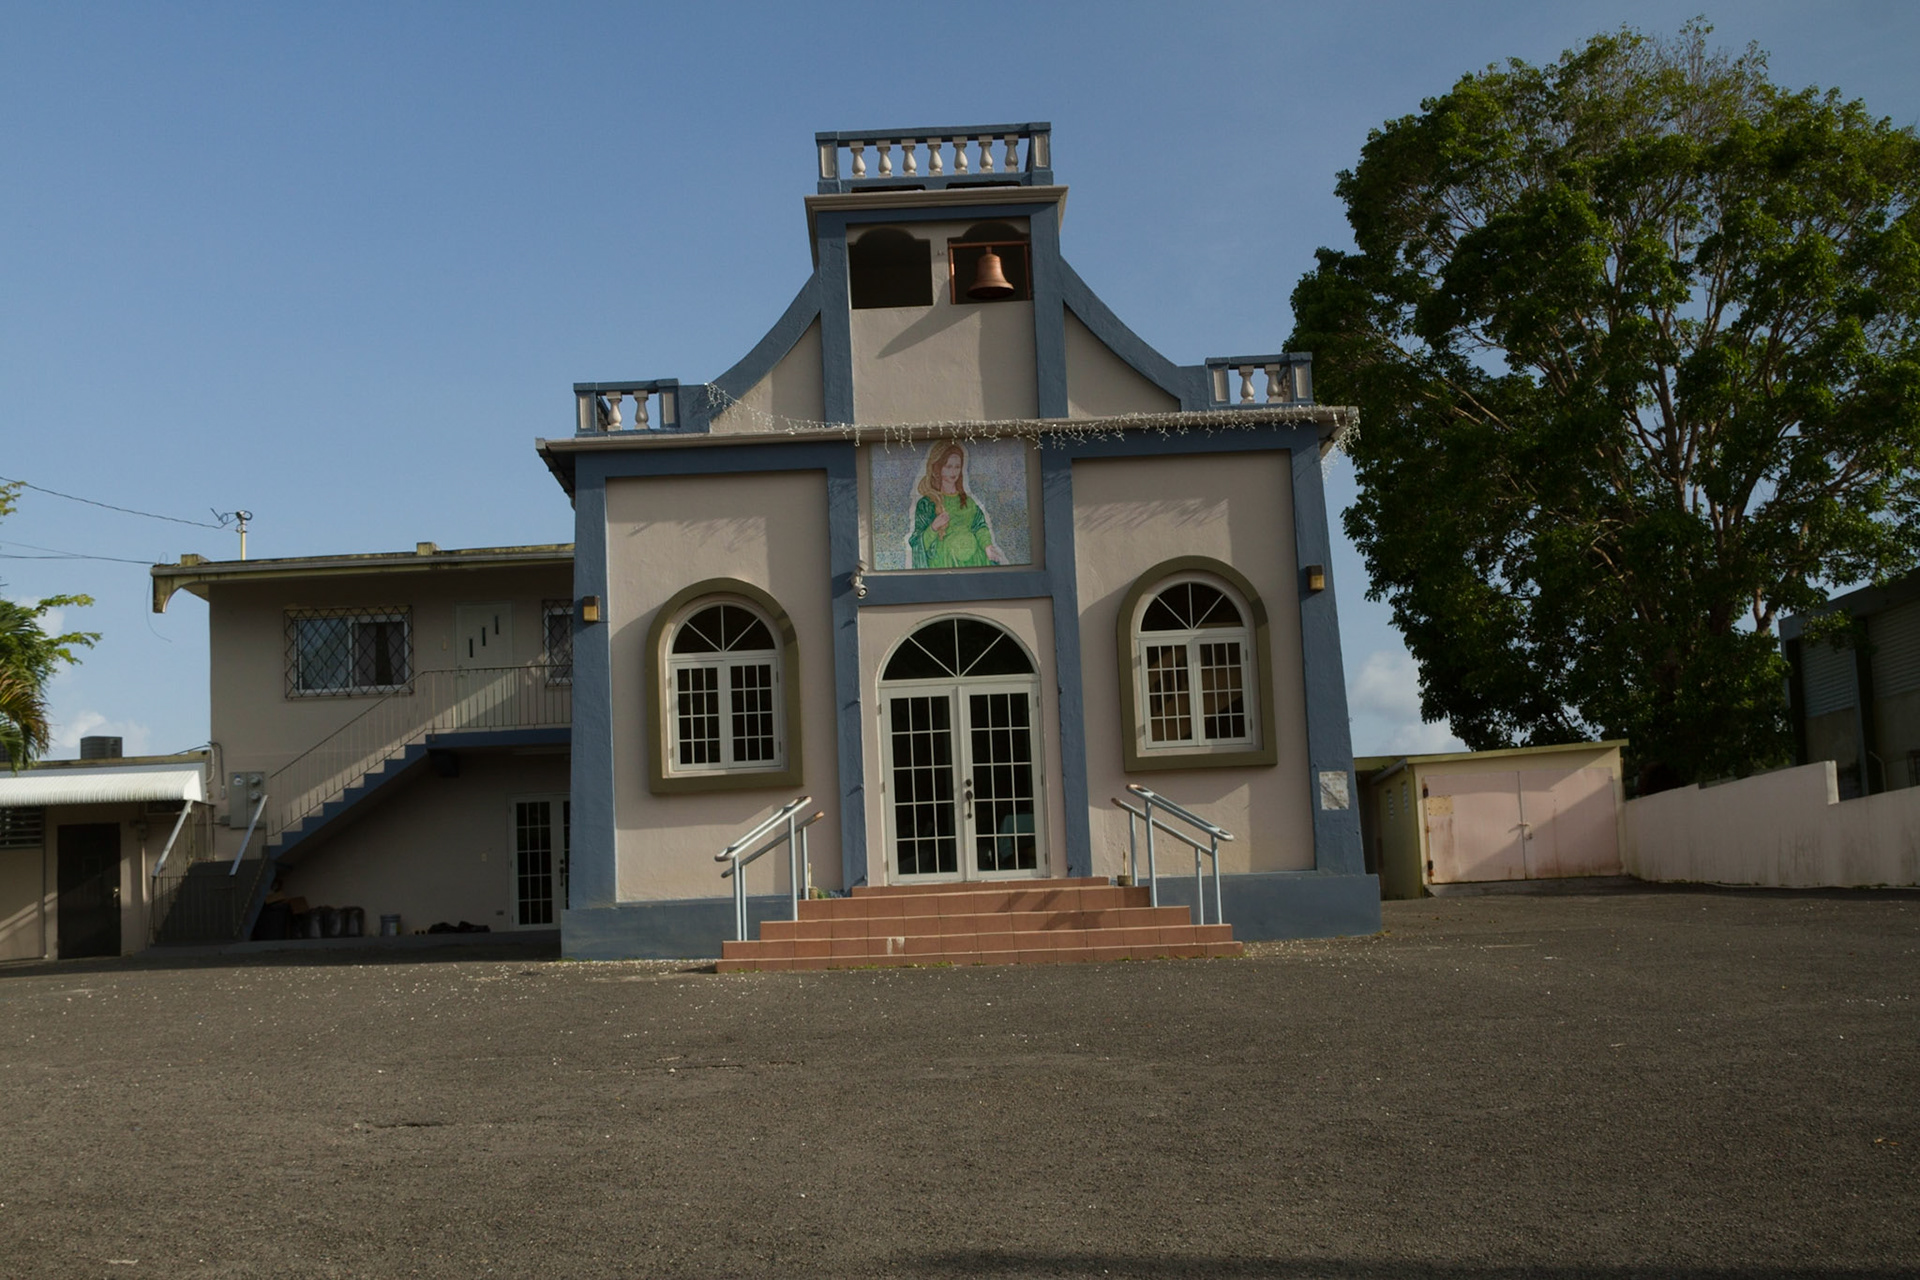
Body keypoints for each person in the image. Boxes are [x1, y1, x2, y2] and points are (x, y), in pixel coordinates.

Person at [908, 442, 1007, 568]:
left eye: (957, 467)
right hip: (945, 561)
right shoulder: (927, 504)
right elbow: (917, 543)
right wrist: (933, 527)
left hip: (975, 559)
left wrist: (987, 546)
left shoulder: (967, 501)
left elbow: (979, 526)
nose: (953, 472)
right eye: (948, 466)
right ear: (938, 468)